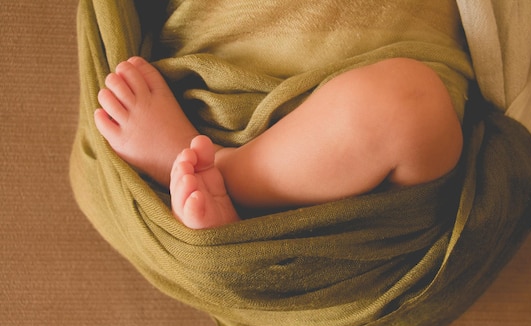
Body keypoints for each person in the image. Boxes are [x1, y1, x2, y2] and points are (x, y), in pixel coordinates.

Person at [94, 55, 462, 229]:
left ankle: (224, 173)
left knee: (407, 106)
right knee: (406, 104)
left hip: (390, 168)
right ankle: (223, 185)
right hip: (231, 89)